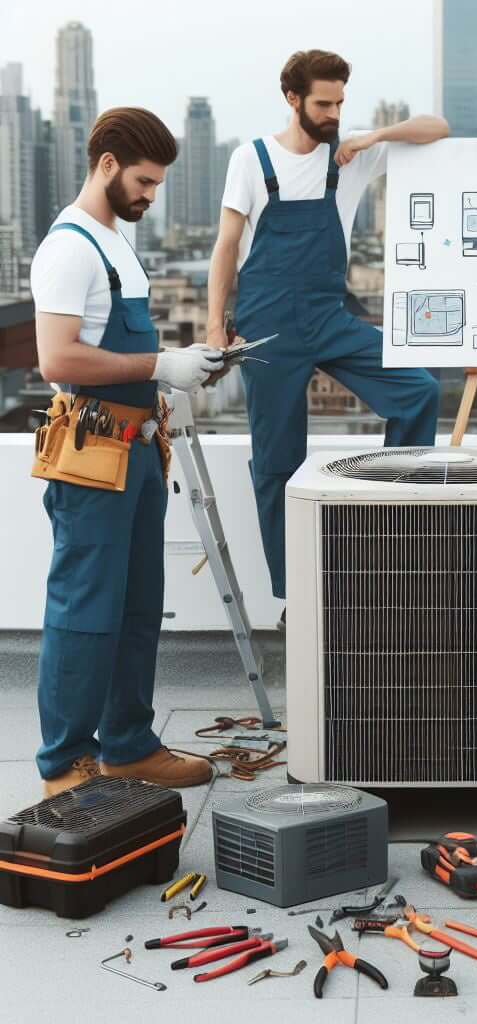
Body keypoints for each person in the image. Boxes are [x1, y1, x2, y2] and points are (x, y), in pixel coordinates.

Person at [207, 50, 445, 619]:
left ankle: (396, 531)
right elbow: (225, 247)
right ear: (292, 99)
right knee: (276, 462)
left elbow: (439, 129)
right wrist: (217, 326)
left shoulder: (351, 153)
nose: (335, 111)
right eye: (324, 102)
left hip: (329, 318)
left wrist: (372, 137)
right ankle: (297, 598)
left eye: (341, 101)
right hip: (267, 329)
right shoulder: (252, 159)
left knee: (420, 390)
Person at [31, 108, 223, 796]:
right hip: (92, 453)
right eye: (144, 180)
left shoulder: (116, 242)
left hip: (140, 448)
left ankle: (128, 744)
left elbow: (121, 348)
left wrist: (171, 375)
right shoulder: (71, 247)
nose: (150, 194)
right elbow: (58, 354)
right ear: (108, 166)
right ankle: (66, 765)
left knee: (140, 605)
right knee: (85, 610)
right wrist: (160, 363)